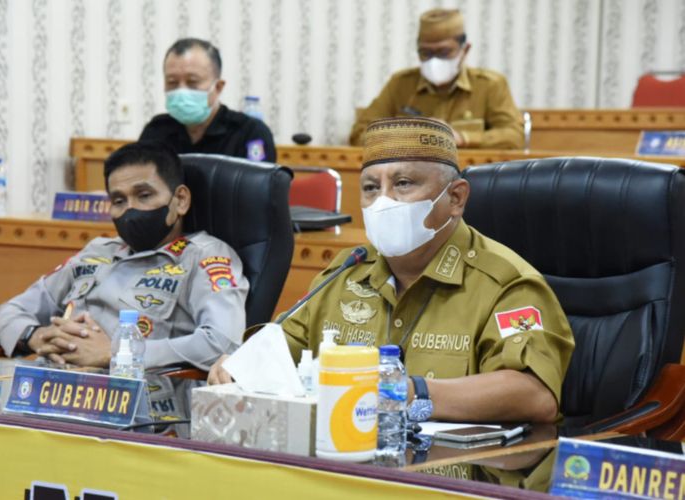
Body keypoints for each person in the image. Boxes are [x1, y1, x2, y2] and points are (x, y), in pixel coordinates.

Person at [210, 117, 574, 424]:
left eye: (403, 184)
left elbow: (534, 394)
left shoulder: (505, 282)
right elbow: (280, 348)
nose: (382, 201)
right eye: (371, 188)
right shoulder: (346, 272)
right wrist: (240, 366)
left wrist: (409, 392)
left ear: (456, 198)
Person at [0, 142, 248, 371]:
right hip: (52, 395)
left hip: (140, 407)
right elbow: (9, 312)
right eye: (118, 200)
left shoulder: (205, 257)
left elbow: (222, 343)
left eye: (144, 196)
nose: (130, 210)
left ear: (180, 200)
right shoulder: (96, 252)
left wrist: (117, 353)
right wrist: (35, 336)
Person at [349, 9, 523, 150]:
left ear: (465, 49)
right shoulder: (401, 83)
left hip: (468, 178)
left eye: (444, 52)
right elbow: (360, 134)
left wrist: (462, 138)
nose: (434, 60)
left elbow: (514, 137)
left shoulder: (490, 85)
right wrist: (411, 137)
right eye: (426, 53)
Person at [140, 38, 277, 163]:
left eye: (192, 82)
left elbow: (261, 188)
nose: (181, 90)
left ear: (218, 87)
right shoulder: (155, 131)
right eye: (172, 82)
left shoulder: (250, 133)